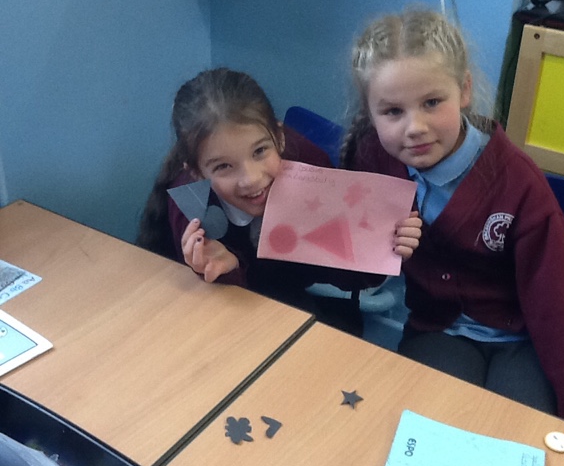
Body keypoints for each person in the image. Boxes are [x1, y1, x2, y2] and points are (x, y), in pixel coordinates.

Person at [341, 9, 564, 442]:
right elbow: (353, 272)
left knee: (515, 442)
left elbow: (563, 318)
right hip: (439, 330)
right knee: (429, 440)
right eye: (393, 111)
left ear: (465, 90)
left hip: (522, 343)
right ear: (370, 112)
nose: (415, 128)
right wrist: (376, 248)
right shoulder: (373, 158)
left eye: (432, 103)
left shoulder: (518, 184)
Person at [137, 67, 422, 336]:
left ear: (279, 137)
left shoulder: (307, 164)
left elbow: (335, 272)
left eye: (260, 151)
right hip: (212, 313)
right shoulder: (192, 205)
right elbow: (215, 309)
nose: (251, 179)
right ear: (197, 172)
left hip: (287, 297)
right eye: (224, 166)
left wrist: (380, 250)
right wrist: (227, 269)